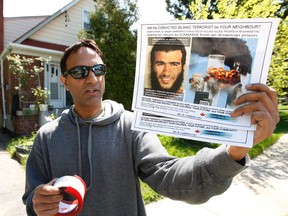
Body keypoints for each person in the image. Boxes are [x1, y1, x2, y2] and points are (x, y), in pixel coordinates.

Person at [23, 39, 279, 216]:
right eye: (80, 72)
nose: (91, 78)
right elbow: (31, 199)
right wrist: (37, 203)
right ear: (65, 81)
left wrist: (232, 153)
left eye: (97, 69)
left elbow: (171, 176)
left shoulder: (131, 126)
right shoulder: (47, 137)